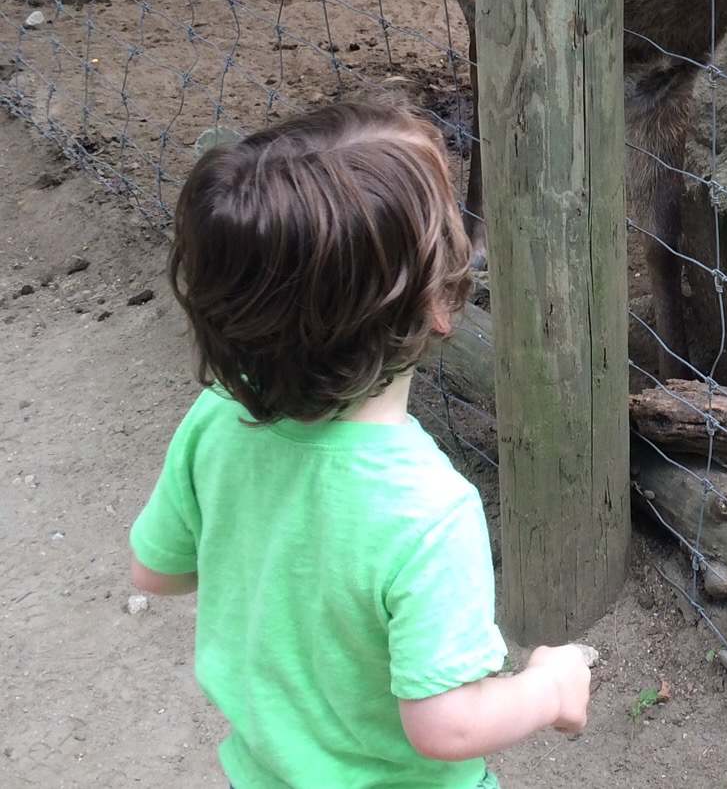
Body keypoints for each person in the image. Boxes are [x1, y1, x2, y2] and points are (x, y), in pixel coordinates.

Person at [129, 93, 591, 789]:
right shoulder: (428, 511)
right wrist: (551, 688)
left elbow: (156, 572)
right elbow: (447, 724)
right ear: (439, 304)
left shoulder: (218, 415)